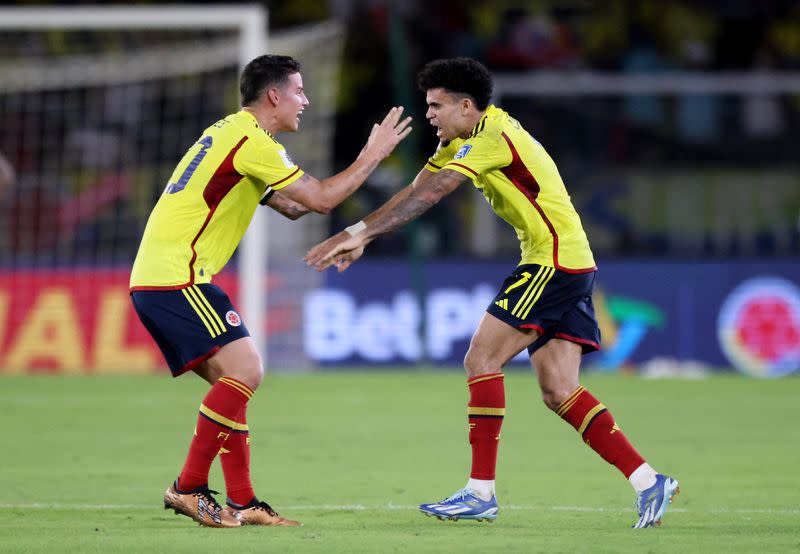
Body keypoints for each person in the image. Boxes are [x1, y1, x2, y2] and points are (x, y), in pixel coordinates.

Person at [305, 57, 678, 529]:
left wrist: (359, 234)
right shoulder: (463, 139)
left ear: (467, 106)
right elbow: (418, 187)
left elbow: (434, 194)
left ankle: (480, 492)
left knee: (481, 360)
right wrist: (361, 232)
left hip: (552, 261)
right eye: (427, 106)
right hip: (570, 261)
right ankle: (649, 481)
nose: (430, 115)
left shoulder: (492, 137)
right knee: (559, 390)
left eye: (437, 105)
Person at [130, 54, 411, 528]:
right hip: (176, 278)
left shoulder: (230, 134)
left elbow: (294, 207)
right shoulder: (251, 141)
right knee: (247, 370)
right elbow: (320, 199)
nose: (306, 101)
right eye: (299, 91)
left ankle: (243, 501)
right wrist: (374, 154)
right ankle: (188, 487)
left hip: (166, 278)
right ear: (274, 96)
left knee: (233, 385)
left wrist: (358, 234)